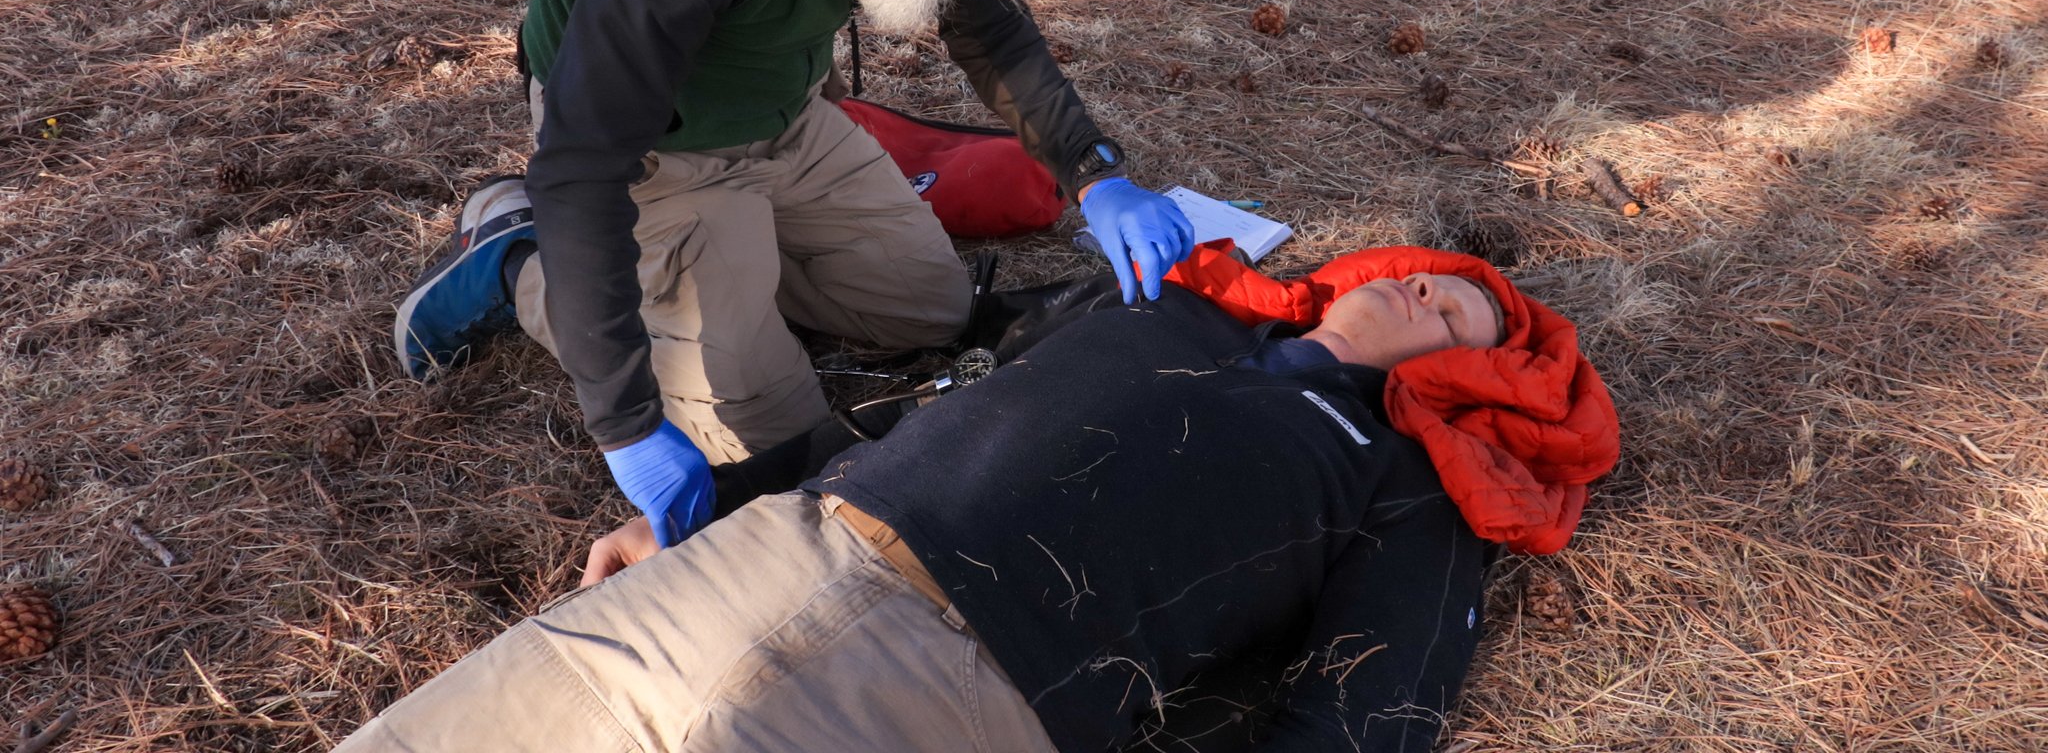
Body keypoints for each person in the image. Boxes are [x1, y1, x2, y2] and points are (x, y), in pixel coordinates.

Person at [389, 0, 1196, 550]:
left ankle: (730, 268)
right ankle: (519, 261)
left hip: (785, 103)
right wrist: (623, 421)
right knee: (771, 432)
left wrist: (1095, 174)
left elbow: (986, 17)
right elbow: (586, 157)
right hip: (653, 144)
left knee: (931, 311)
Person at [342, 246, 1620, 753]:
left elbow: (1371, 700)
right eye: (1424, 274)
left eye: (1459, 313)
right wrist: (690, 509)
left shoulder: (1410, 472)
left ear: (1476, 372)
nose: (1424, 293)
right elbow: (925, 406)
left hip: (962, 670)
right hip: (781, 548)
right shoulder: (1163, 307)